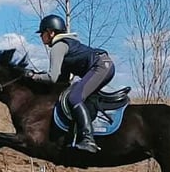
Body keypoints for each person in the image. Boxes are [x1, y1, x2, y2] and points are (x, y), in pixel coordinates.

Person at [27, 14, 114, 153]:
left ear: (50, 32)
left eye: (42, 32)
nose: (41, 36)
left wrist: (34, 76)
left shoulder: (58, 46)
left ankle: (88, 139)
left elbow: (52, 77)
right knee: (75, 95)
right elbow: (62, 81)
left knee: (74, 97)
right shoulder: (66, 45)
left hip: (101, 66)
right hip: (104, 65)